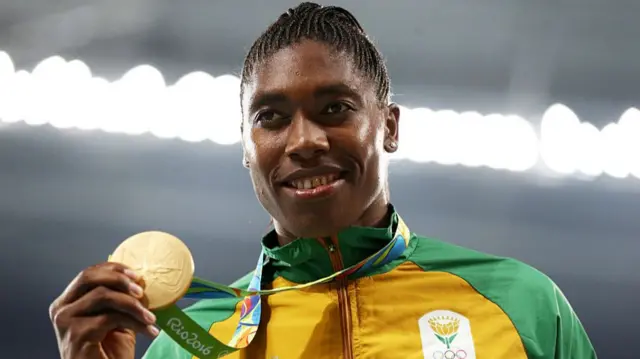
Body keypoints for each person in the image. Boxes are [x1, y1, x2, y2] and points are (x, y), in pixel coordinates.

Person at [49, 2, 597, 359]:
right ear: (246, 147)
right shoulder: (187, 344)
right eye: (271, 117)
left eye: (335, 108)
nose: (304, 140)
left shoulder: (523, 305)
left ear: (389, 126)